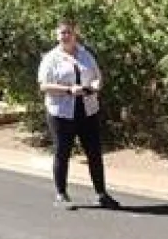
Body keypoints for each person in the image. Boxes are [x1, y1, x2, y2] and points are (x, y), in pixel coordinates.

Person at [37, 18, 120, 210]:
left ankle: (101, 194)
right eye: (62, 33)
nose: (65, 36)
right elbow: (44, 86)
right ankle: (61, 194)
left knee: (94, 153)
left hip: (87, 110)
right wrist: (68, 90)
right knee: (62, 152)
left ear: (75, 34)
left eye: (69, 32)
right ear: (57, 36)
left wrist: (95, 86)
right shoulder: (51, 58)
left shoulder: (85, 54)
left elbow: (97, 77)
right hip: (61, 112)